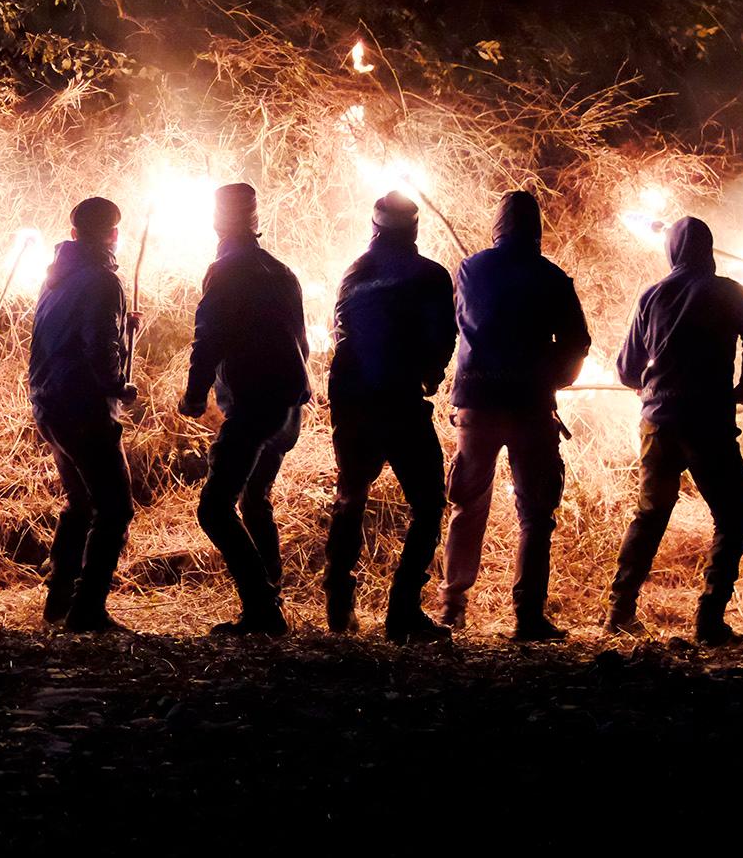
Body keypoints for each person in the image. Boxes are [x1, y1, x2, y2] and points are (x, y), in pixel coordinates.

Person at [605, 216, 743, 645]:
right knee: (737, 513)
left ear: (672, 251)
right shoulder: (729, 291)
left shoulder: (652, 295)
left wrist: (649, 382)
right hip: (708, 425)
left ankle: (619, 611)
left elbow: (626, 370)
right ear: (708, 250)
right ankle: (709, 619)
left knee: (651, 512)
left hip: (658, 424)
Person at [442, 190, 589, 641]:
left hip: (477, 401)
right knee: (536, 512)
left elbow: (456, 325)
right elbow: (577, 342)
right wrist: (552, 378)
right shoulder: (552, 278)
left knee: (468, 505)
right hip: (529, 407)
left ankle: (452, 608)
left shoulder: (470, 269)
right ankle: (528, 616)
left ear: (497, 226)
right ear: (536, 228)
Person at [324, 192, 457, 641]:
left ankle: (339, 607)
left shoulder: (354, 271)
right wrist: (430, 377)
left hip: (351, 394)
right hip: (398, 397)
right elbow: (443, 336)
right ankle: (402, 611)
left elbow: (339, 329)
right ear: (415, 230)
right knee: (428, 501)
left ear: (375, 227)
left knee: (351, 496)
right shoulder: (431, 275)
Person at [180, 182, 309, 637]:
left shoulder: (226, 270)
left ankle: (263, 608)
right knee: (255, 499)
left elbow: (208, 337)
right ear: (256, 222)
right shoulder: (281, 270)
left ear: (217, 222)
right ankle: (270, 599)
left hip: (256, 404)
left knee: (214, 509)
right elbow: (301, 341)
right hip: (288, 405)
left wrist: (195, 394)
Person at [27, 196, 139, 633]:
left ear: (73, 234)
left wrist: (123, 332)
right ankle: (87, 609)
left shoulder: (56, 278)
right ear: (113, 235)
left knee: (81, 502)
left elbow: (71, 335)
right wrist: (117, 384)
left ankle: (59, 603)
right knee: (115, 508)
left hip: (48, 402)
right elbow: (97, 347)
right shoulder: (102, 281)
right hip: (83, 405)